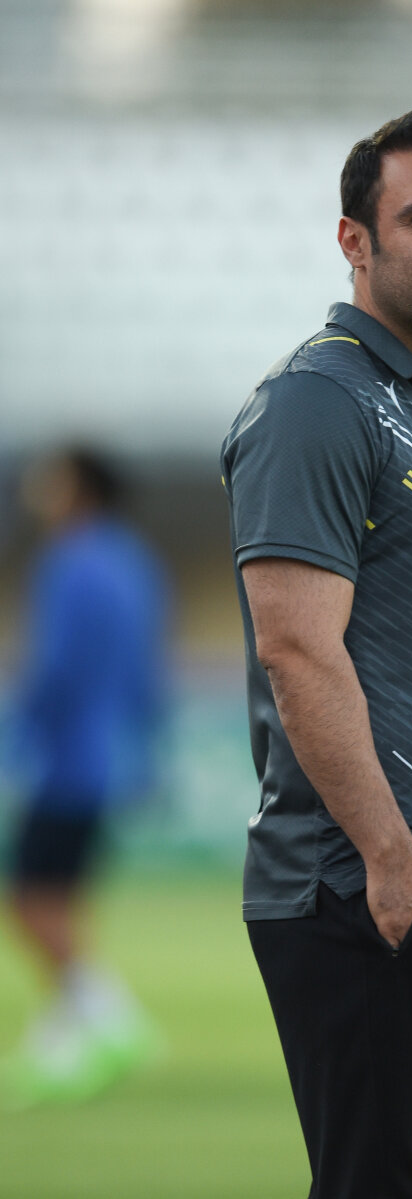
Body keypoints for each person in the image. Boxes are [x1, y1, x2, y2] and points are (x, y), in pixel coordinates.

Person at [221, 107, 412, 1199]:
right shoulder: (315, 402)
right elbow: (295, 648)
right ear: (354, 240)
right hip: (365, 876)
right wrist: (389, 860)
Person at [2, 447, 170, 1108]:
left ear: (78, 488)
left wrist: (21, 739)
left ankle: (113, 1021)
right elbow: (146, 671)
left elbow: (56, 668)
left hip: (69, 756)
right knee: (60, 897)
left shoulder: (70, 560)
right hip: (115, 754)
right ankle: (65, 1037)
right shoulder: (135, 561)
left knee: (31, 899)